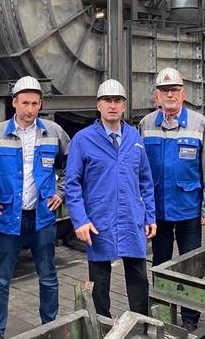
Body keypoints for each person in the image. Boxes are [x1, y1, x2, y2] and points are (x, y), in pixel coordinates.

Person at [0, 76, 70, 339]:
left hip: (42, 218)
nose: (30, 109)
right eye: (25, 103)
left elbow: (73, 164)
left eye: (35, 103)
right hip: (7, 218)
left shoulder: (54, 132)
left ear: (40, 104)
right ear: (14, 103)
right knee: (0, 279)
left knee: (48, 276)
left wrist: (61, 191)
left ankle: (50, 324)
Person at [65, 79, 156, 318]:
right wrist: (80, 220)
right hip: (98, 220)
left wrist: (150, 216)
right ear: (98, 105)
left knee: (138, 278)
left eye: (118, 101)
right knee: (99, 281)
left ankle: (141, 325)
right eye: (107, 101)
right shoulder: (83, 140)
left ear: (124, 106)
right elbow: (71, 184)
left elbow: (146, 180)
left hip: (131, 219)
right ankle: (102, 330)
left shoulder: (134, 137)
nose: (112, 106)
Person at [138, 67, 205, 331]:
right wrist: (142, 209)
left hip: (189, 210)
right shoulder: (146, 124)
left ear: (183, 94)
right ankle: (161, 312)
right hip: (158, 211)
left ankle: (190, 318)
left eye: (174, 90)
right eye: (164, 91)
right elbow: (139, 170)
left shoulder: (199, 123)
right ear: (156, 97)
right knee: (160, 264)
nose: (169, 95)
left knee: (190, 265)